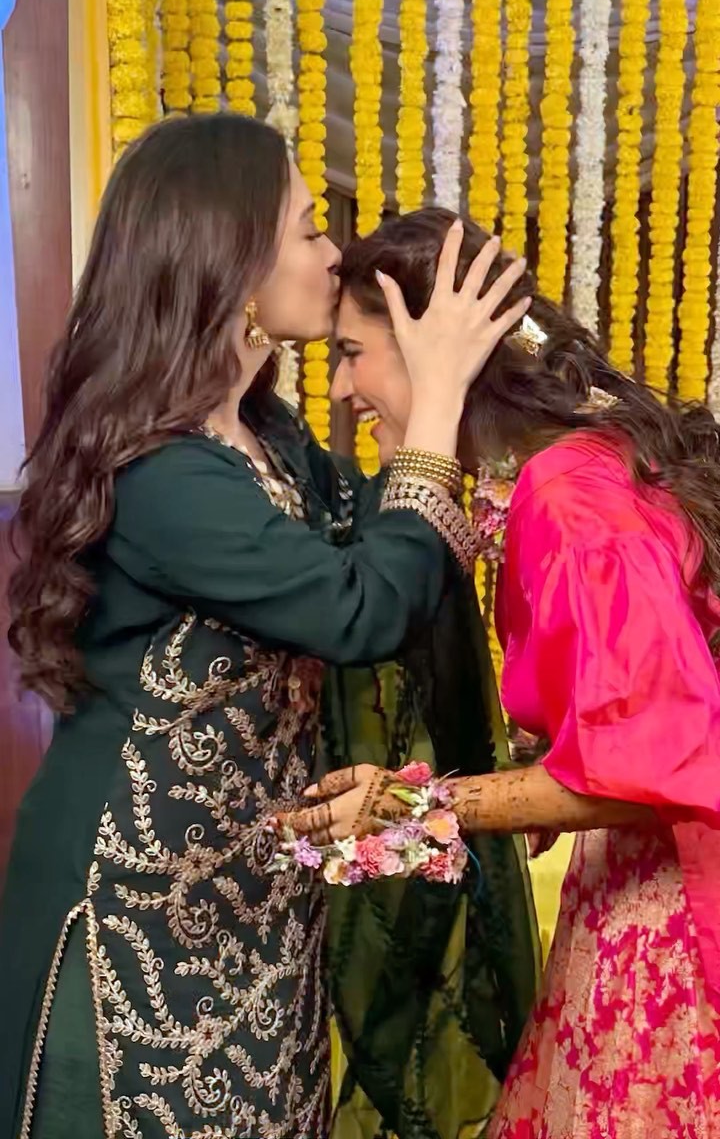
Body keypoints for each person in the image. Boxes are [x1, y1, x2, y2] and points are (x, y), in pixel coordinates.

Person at [0, 117, 532, 1139]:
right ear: (234, 257)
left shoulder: (269, 441)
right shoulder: (160, 470)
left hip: (259, 910)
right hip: (138, 919)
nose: (332, 254)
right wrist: (437, 403)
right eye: (307, 228)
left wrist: (431, 387)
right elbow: (358, 608)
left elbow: (394, 550)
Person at [282, 207, 720, 1138]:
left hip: (675, 909)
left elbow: (649, 767)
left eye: (352, 354)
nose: (343, 389)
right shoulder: (583, 460)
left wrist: (412, 806)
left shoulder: (567, 495)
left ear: (433, 349)